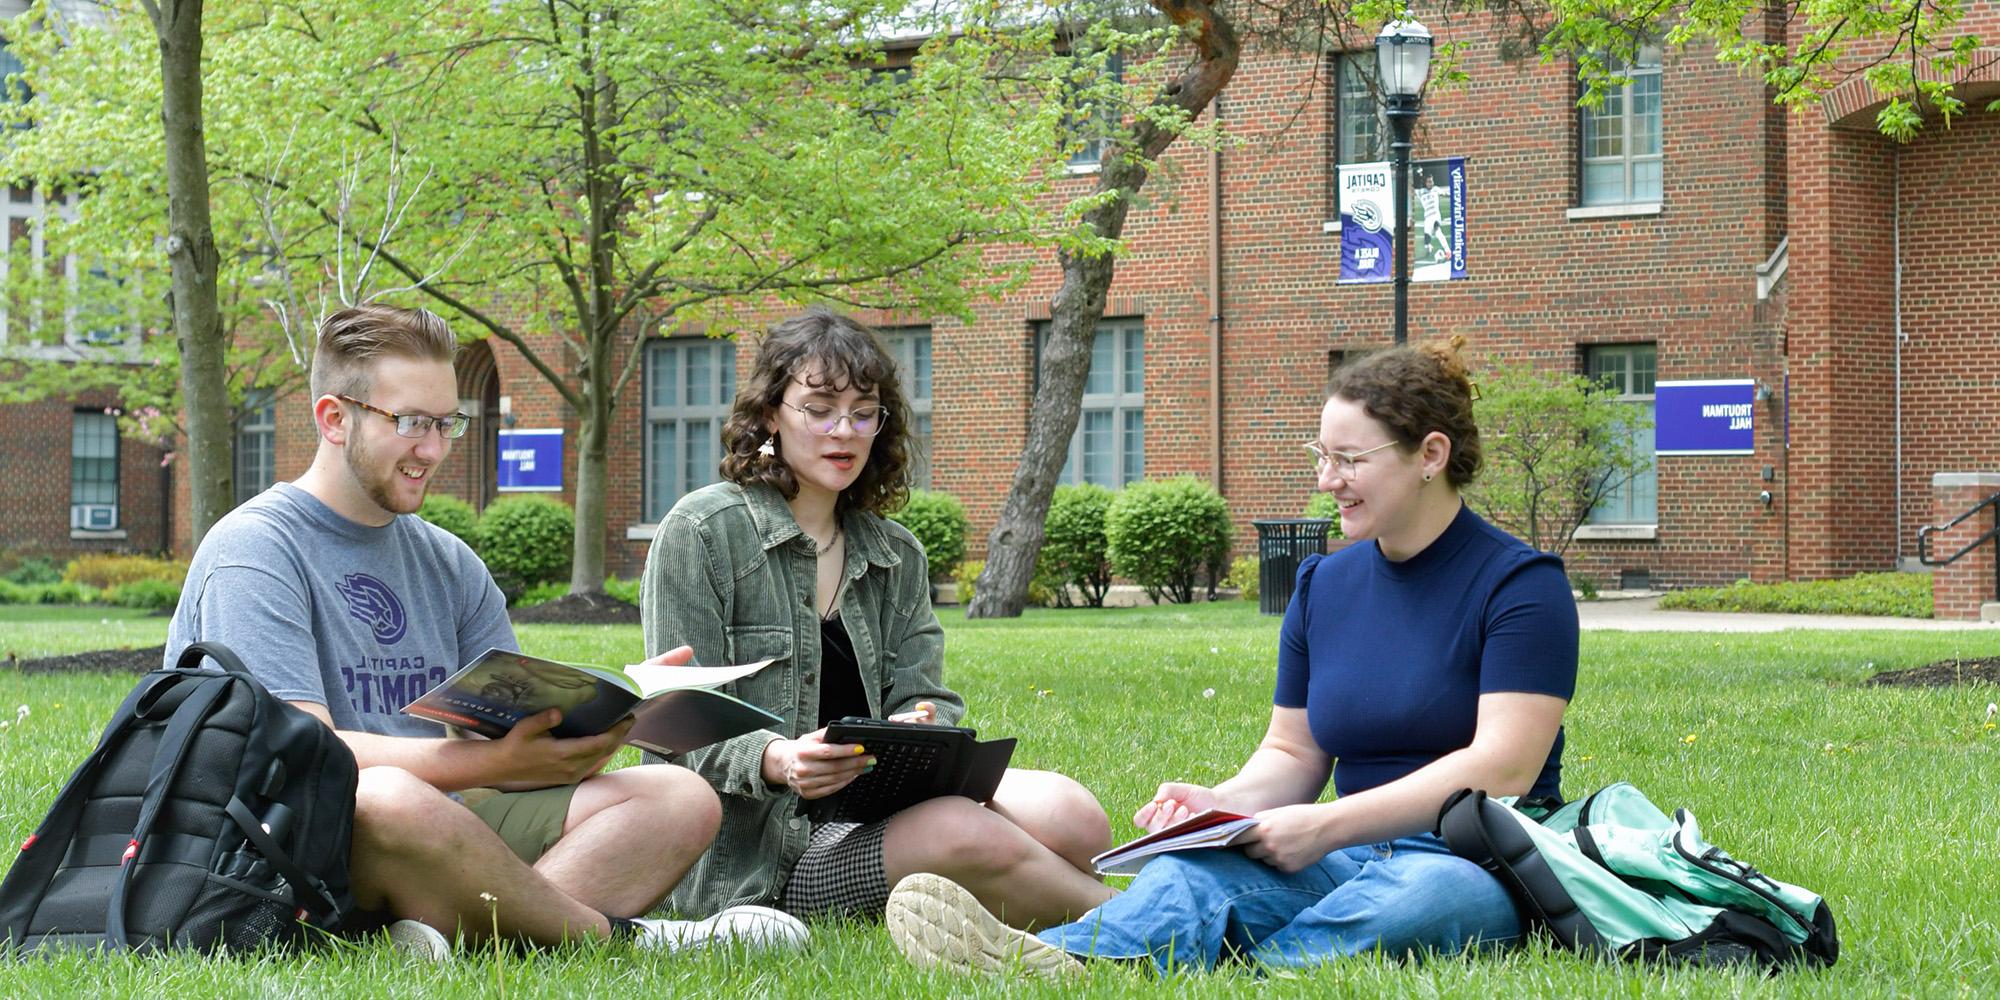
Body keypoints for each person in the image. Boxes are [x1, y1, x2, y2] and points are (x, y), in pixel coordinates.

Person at [884, 338, 1578, 975]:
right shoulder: (1324, 586)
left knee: (1430, 896)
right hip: (1346, 854)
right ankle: (1066, 962)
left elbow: (1502, 767)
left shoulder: (1520, 585)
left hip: (1475, 860)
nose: (1328, 478)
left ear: (1430, 454)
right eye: (1322, 455)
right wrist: (1220, 806)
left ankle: (1256, 966)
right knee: (1193, 871)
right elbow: (1294, 755)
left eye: (1350, 459)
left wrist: (1324, 827)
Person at [164, 304, 806, 957]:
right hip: (306, 834)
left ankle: (452, 938)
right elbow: (297, 758)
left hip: (452, 819)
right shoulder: (255, 549)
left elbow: (496, 740)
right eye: (411, 423)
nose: (434, 449)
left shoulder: (449, 563)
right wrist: (486, 762)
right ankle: (617, 939)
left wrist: (583, 734)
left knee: (680, 797)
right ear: (335, 418)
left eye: (447, 423)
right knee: (390, 796)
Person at [641, 308, 1114, 928]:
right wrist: (780, 758)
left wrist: (919, 723)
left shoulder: (894, 553)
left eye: (863, 412)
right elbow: (676, 723)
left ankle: (1059, 918)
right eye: (819, 408)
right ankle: (1149, 925)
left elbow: (929, 695)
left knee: (1074, 814)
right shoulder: (702, 532)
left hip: (877, 803)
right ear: (768, 417)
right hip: (766, 852)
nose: (844, 429)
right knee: (961, 830)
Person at [1416, 169, 1449, 264]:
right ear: (1425, 183)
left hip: (1435, 216)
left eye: (1432, 181)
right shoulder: (1421, 192)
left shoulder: (1435, 189)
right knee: (1427, 239)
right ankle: (1429, 249)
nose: (1431, 183)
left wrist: (1450, 195)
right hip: (1427, 218)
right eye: (1429, 181)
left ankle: (1448, 252)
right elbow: (1411, 189)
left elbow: (1444, 194)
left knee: (1437, 230)